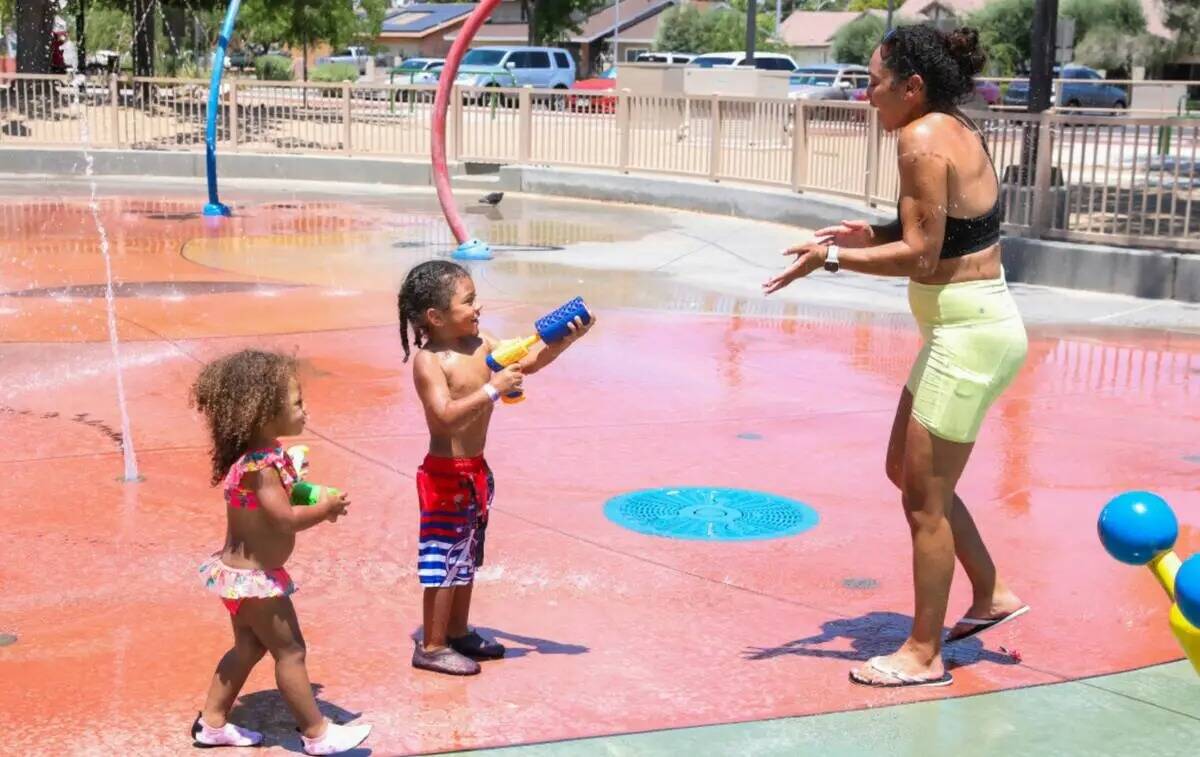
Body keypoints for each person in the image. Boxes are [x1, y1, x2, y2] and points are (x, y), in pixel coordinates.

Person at [764, 25, 1029, 688]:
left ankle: (923, 651)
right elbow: (945, 231)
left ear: (912, 87)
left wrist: (830, 256)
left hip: (967, 336)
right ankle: (991, 591)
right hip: (968, 329)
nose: (866, 94)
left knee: (923, 503)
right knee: (904, 472)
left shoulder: (918, 138)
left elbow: (921, 254)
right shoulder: (951, 126)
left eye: (875, 81)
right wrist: (871, 232)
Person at [398, 260, 594, 675]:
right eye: (467, 302)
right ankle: (431, 646)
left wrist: (565, 340)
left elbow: (528, 362)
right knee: (442, 561)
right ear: (435, 316)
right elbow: (443, 417)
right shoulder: (431, 361)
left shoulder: (482, 343)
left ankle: (457, 630)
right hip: (444, 475)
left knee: (467, 556)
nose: (477, 308)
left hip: (475, 471)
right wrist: (492, 390)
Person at [190, 349, 371, 753]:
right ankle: (317, 734)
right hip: (255, 583)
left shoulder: (257, 460)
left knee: (249, 647)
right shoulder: (262, 468)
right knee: (291, 651)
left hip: (236, 575)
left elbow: (274, 503)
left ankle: (213, 724)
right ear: (263, 414)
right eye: (297, 402)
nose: (305, 410)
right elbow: (284, 518)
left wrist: (301, 483)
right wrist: (324, 509)